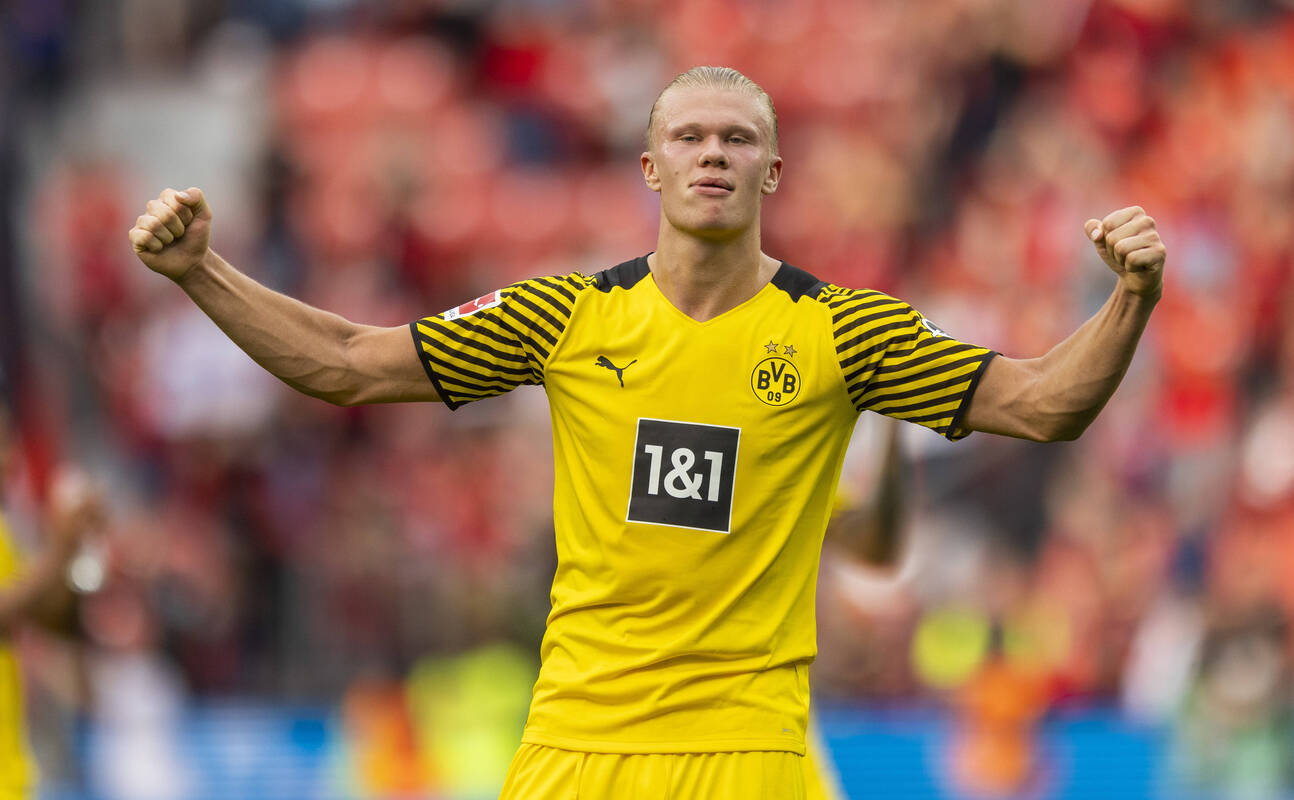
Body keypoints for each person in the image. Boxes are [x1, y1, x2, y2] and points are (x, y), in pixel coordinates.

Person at [127, 66, 1166, 798]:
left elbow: (1041, 402)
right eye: (689, 136)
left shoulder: (843, 331)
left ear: (771, 173)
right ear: (649, 167)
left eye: (736, 138)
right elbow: (350, 365)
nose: (712, 153)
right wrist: (200, 274)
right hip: (579, 744)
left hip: (750, 753)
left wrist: (1130, 297)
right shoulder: (565, 316)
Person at [0, 397, 100, 800]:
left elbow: (44, 614)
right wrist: (60, 547)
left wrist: (78, 551)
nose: (11, 454)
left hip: (14, 773)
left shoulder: (6, 531)